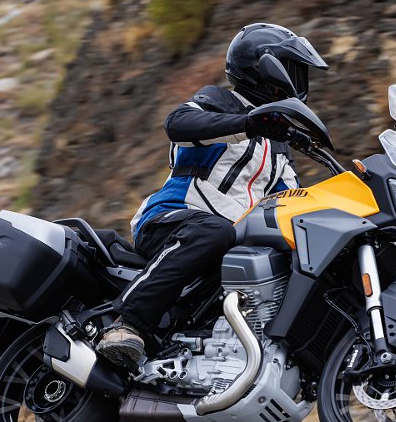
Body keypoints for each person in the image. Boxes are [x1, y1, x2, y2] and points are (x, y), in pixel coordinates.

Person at [96, 22, 329, 367]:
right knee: (213, 230)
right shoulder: (219, 101)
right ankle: (127, 323)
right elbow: (178, 123)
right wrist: (247, 123)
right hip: (171, 220)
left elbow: (293, 201)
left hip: (222, 245)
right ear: (266, 70)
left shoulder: (278, 146)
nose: (300, 80)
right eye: (294, 70)